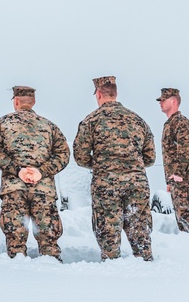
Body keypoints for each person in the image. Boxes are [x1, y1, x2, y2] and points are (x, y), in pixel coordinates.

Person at [73, 76, 156, 261]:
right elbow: (150, 157)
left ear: (99, 94)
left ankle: (111, 271)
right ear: (116, 94)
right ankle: (148, 267)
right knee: (140, 229)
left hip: (106, 184)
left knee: (108, 233)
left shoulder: (91, 120)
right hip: (137, 183)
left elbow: (80, 156)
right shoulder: (138, 120)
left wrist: (102, 164)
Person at [0, 86, 69, 261]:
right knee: (49, 242)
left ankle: (17, 278)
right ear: (34, 102)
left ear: (16, 101)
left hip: (14, 189)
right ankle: (53, 273)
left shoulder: (1, 124)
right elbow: (63, 155)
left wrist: (18, 170)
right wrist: (41, 172)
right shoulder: (49, 126)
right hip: (43, 190)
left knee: (15, 241)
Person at [158, 87, 189, 235]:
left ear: (174, 101)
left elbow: (186, 150)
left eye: (163, 100)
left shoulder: (180, 122)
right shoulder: (170, 123)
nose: (161, 103)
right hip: (177, 179)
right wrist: (170, 181)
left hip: (183, 178)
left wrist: (178, 174)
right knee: (182, 219)